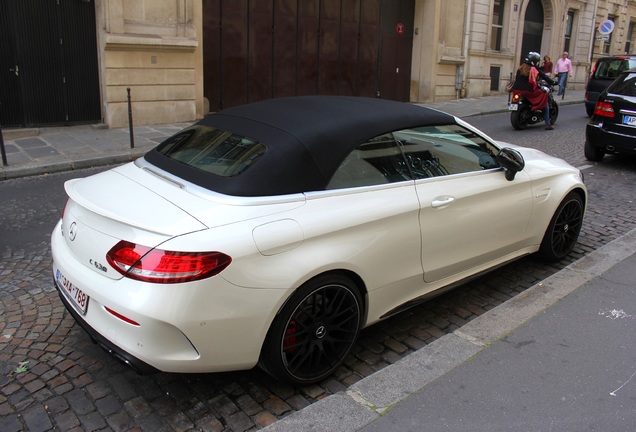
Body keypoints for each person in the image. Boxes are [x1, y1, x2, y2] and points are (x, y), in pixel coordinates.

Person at [511, 52, 557, 130]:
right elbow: (544, 76)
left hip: (517, 90)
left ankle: (532, 109)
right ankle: (547, 124)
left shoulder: (520, 68)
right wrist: (552, 82)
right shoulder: (534, 69)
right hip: (528, 91)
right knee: (544, 97)